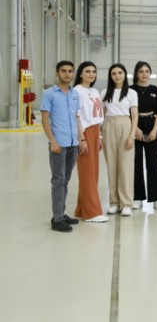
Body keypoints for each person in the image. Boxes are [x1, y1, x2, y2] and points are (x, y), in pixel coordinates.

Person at [42, 60, 83, 232]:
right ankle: (57, 219)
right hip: (59, 144)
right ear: (57, 73)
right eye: (63, 71)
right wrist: (52, 141)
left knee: (65, 180)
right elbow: (45, 119)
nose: (67, 74)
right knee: (58, 180)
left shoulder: (75, 94)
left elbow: (76, 117)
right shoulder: (49, 93)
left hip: (73, 143)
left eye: (70, 71)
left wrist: (81, 139)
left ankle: (60, 213)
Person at [72, 61, 108, 223]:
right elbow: (76, 116)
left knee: (93, 173)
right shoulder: (76, 91)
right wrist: (82, 138)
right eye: (87, 71)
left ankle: (81, 209)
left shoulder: (94, 91)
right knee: (87, 173)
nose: (91, 74)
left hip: (95, 131)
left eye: (94, 71)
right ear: (80, 74)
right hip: (84, 132)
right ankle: (92, 213)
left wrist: (99, 137)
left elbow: (98, 115)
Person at [101, 63, 139, 217]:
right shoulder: (104, 92)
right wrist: (100, 133)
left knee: (126, 166)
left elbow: (134, 115)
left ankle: (126, 203)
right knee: (111, 165)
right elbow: (101, 113)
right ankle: (114, 202)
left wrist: (131, 135)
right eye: (114, 73)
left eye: (120, 73)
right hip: (108, 125)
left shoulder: (131, 93)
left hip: (125, 124)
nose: (117, 76)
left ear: (124, 74)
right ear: (110, 76)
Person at [130, 61, 157, 211]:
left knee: (153, 164)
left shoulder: (155, 90)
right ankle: (137, 197)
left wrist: (155, 130)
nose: (144, 74)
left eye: (146, 71)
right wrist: (135, 129)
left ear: (150, 73)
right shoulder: (130, 90)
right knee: (136, 164)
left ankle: (156, 198)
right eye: (141, 71)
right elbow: (127, 111)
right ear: (136, 73)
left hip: (151, 126)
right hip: (135, 127)